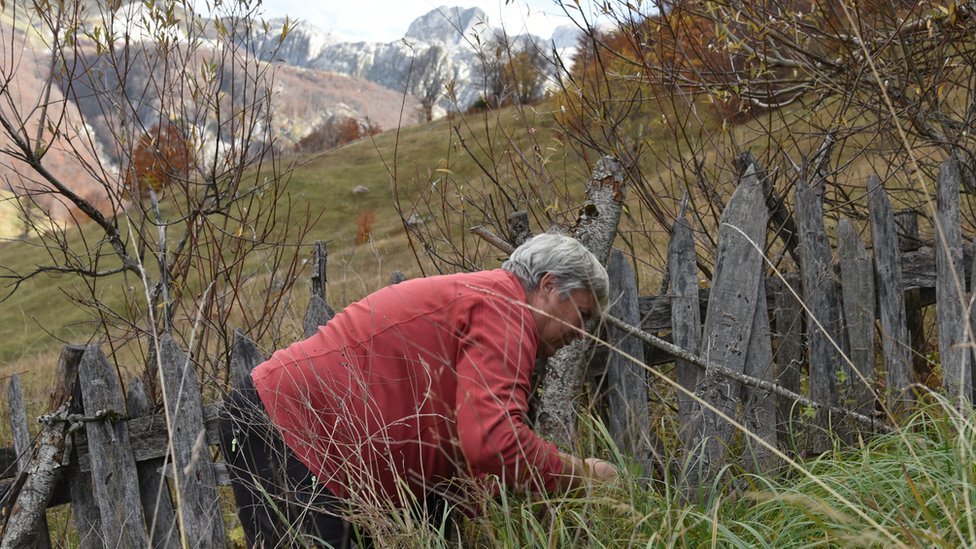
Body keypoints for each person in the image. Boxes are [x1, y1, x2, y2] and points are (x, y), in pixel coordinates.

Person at [218, 232, 619, 548]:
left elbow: (462, 440)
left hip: (302, 437)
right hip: (286, 426)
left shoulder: (489, 301)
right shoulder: (506, 309)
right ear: (548, 285)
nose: (581, 334)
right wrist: (581, 474)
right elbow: (494, 441)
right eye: (581, 315)